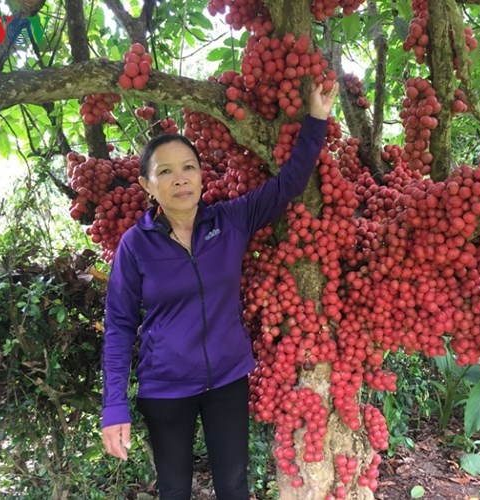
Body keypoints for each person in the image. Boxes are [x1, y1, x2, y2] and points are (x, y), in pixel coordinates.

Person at [101, 82, 339, 499]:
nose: (180, 179)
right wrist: (114, 406)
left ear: (200, 174)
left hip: (227, 380)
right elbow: (120, 325)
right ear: (146, 185)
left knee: (233, 486)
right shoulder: (135, 246)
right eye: (166, 171)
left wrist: (316, 118)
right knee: (174, 489)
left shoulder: (229, 221)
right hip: (166, 388)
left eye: (188, 167)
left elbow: (288, 185)